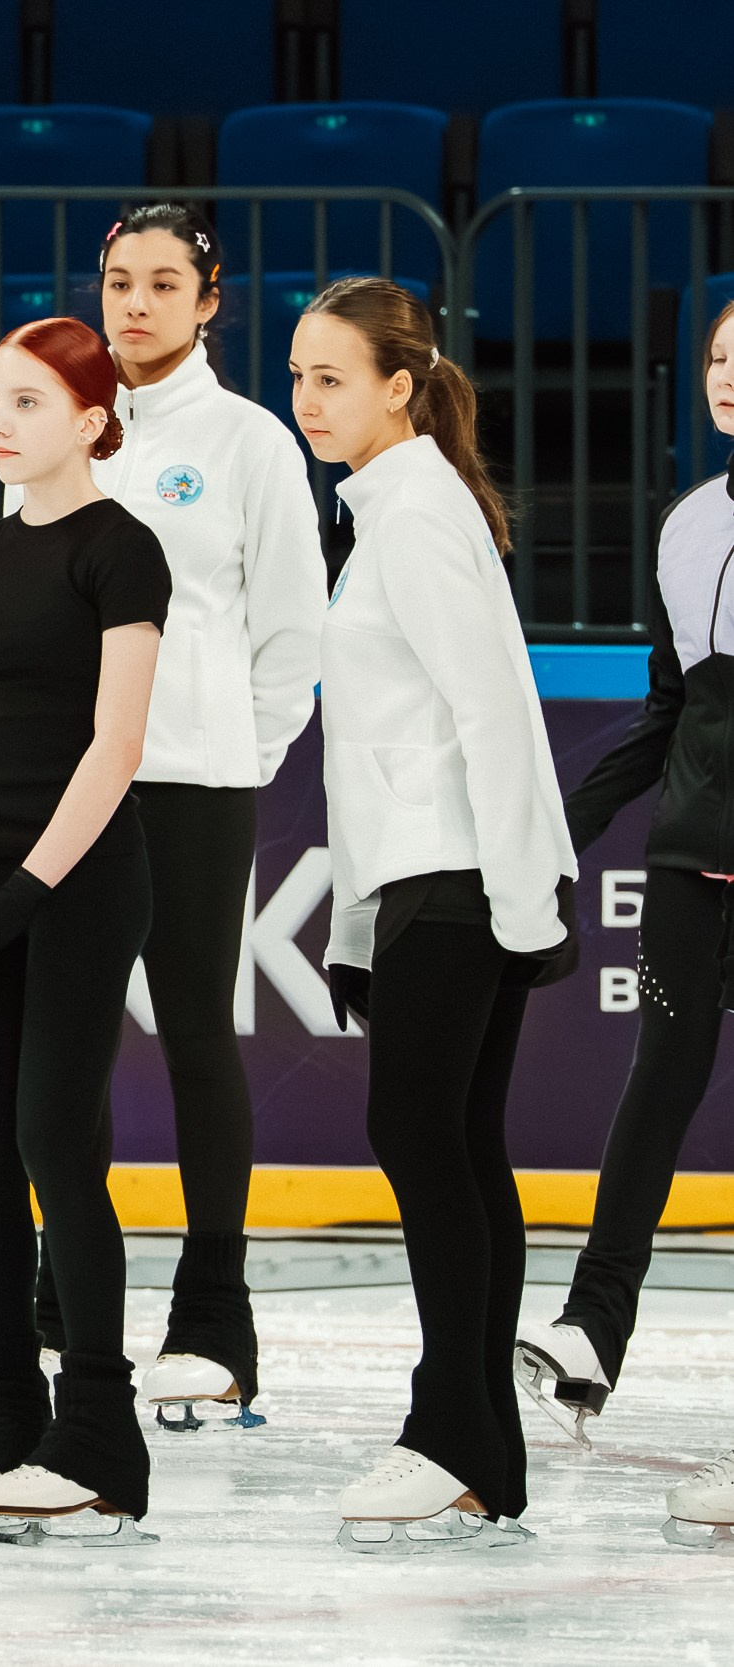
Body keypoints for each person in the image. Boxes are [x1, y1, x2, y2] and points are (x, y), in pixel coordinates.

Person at [295, 276, 575, 1551]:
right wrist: (356, 925)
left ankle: (450, 1432)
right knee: (455, 1150)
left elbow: (493, 713)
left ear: (398, 386)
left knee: (426, 1145)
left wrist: (522, 901)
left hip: (460, 887)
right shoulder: (393, 512)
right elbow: (375, 749)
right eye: (298, 376)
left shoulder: (412, 521)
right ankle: (477, 1450)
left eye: (333, 377)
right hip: (427, 886)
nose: (308, 399)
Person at [69, 204, 327, 1428]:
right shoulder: (67, 426)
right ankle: (59, 1303)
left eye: (162, 283)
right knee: (53, 1048)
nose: (134, 303)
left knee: (191, 1038)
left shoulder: (248, 441)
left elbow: (289, 630)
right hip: (65, 789)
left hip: (190, 784)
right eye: (119, 280)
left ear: (209, 299)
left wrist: (235, 753)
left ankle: (213, 1316)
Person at [0, 317, 169, 1541]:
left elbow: (116, 743)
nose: (0, 424)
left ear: (88, 418)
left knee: (54, 1140)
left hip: (78, 878)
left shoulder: (124, 551)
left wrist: (27, 887)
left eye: (24, 402)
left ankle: (100, 1429)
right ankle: (4, 1408)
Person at [523, 299, 734, 1454]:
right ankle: (591, 1325)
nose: (727, 376)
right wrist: (558, 829)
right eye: (715, 358)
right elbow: (671, 710)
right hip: (689, 858)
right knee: (657, 1088)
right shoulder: (689, 524)